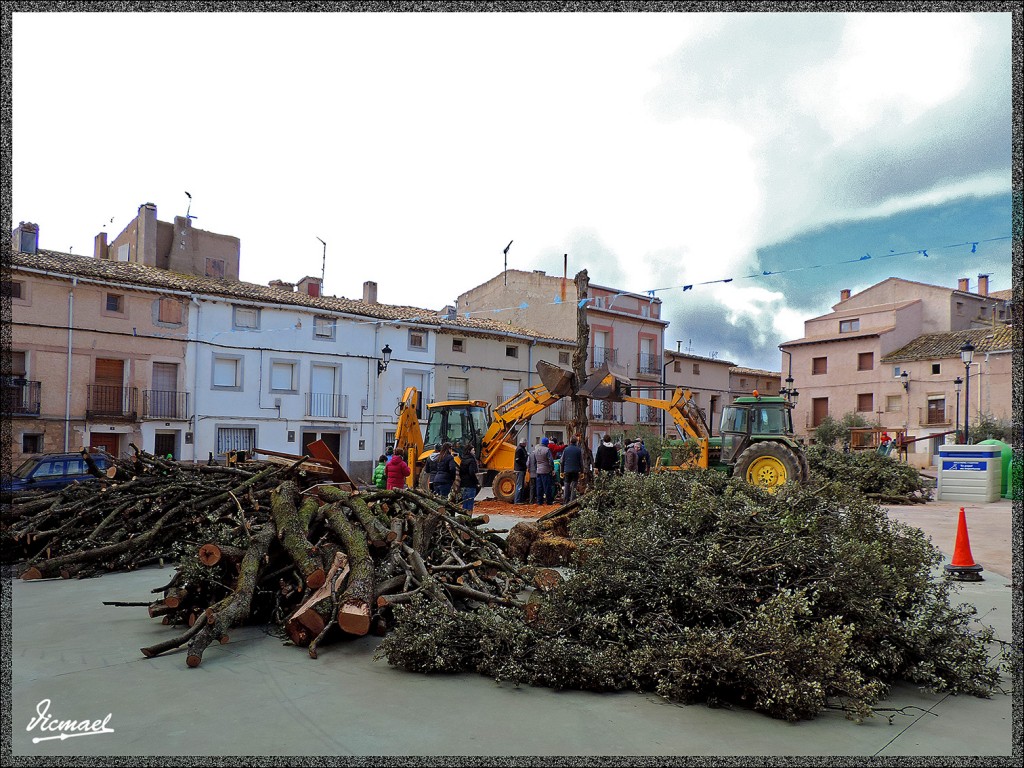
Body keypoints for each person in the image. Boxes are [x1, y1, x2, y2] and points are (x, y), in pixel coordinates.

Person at [560, 435, 583, 503]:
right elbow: (581, 462)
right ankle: (572, 501)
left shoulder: (566, 449)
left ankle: (565, 501)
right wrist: (582, 472)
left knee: (566, 486)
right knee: (574, 486)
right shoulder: (579, 450)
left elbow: (562, 461)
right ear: (576, 441)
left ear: (570, 441)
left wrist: (561, 471)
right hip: (575, 470)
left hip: (567, 470)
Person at [533, 437, 555, 505]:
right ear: (546, 443)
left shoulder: (536, 450)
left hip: (538, 470)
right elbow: (550, 461)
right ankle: (549, 501)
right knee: (547, 486)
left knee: (539, 487)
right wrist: (552, 469)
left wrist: (536, 468)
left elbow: (534, 461)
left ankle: (539, 501)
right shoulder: (547, 450)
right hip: (546, 470)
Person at [459, 444, 480, 512]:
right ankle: (468, 519)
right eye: (473, 450)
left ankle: (463, 518)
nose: (474, 452)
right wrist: (476, 481)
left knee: (465, 503)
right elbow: (471, 472)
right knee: (470, 504)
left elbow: (460, 472)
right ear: (469, 451)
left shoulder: (462, 459)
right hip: (470, 484)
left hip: (463, 484)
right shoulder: (472, 460)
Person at [514, 439, 528, 504]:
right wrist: (524, 464)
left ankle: (520, 500)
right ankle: (517, 500)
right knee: (519, 485)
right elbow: (517, 460)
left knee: (521, 485)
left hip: (521, 469)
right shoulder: (520, 449)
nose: (526, 444)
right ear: (523, 443)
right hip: (520, 469)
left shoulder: (522, 449)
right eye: (525, 443)